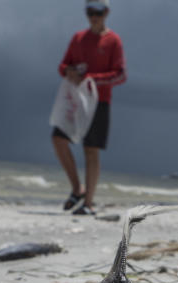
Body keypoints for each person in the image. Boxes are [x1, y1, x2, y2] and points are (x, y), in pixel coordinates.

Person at [52, 0, 126, 216]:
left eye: (98, 12)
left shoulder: (113, 40)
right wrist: (69, 72)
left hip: (99, 102)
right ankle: (77, 188)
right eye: (90, 12)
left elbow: (120, 74)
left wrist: (90, 78)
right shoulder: (78, 38)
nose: (94, 16)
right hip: (75, 101)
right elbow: (62, 65)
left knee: (91, 150)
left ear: (107, 12)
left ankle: (89, 203)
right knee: (58, 139)